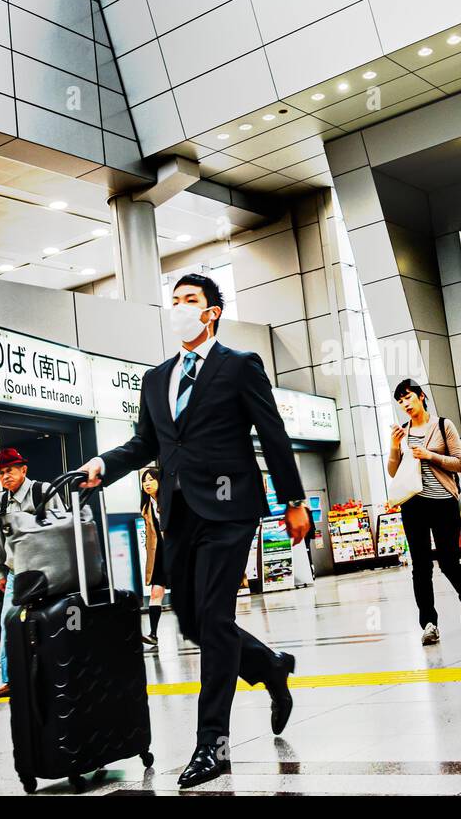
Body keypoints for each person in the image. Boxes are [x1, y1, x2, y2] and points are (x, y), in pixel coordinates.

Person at [79, 272, 308, 790]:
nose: (180, 308)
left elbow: (272, 433)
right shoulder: (156, 378)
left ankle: (213, 746)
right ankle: (270, 666)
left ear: (212, 312)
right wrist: (103, 464)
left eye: (191, 301)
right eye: (175, 300)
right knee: (193, 622)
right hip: (178, 511)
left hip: (231, 509)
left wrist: (293, 500)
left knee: (214, 615)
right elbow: (145, 444)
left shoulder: (240, 367)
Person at [387, 379, 461, 644]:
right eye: (400, 401)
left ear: (421, 396)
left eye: (408, 397)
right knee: (420, 566)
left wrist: (430, 456)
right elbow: (394, 472)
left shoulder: (443, 425)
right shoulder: (401, 432)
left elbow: (460, 464)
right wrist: (394, 448)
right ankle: (428, 623)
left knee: (448, 562)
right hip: (413, 504)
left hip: (443, 502)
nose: (405, 404)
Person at [0, 447, 62, 699]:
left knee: (54, 620)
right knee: (8, 622)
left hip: (48, 570)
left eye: (10, 470)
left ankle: (59, 669)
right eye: (1, 473)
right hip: (16, 573)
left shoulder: (44, 491)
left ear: (23, 470)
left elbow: (62, 526)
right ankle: (10, 680)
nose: (5, 476)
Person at [138, 467, 166, 650]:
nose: (147, 483)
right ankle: (153, 634)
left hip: (178, 551)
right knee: (156, 593)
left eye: (150, 479)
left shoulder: (172, 500)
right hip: (160, 554)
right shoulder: (146, 507)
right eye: (144, 481)